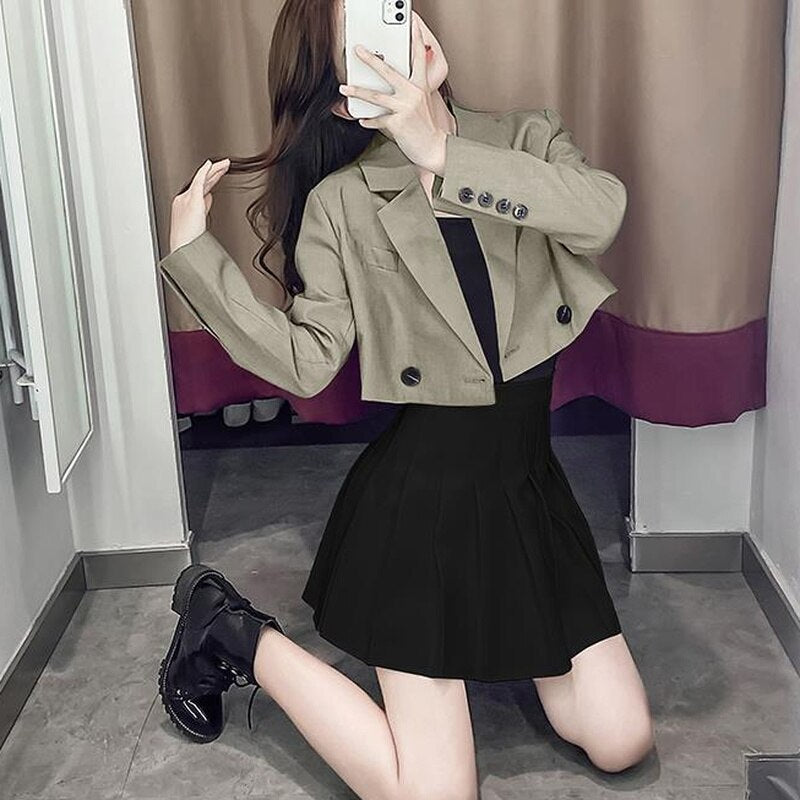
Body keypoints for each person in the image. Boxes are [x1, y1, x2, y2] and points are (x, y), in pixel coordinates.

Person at [157, 3, 655, 797]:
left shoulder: (526, 137)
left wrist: (443, 152)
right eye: (367, 35)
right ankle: (229, 629)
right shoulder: (343, 202)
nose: (404, 27)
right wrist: (194, 257)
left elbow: (602, 213)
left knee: (622, 740)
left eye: (397, 5)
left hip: (528, 491)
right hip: (419, 516)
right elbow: (307, 362)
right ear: (340, 97)